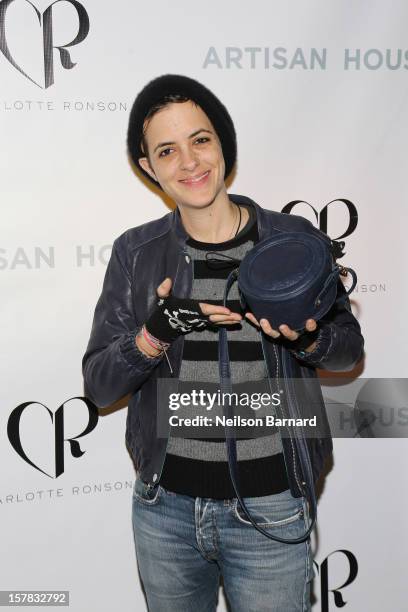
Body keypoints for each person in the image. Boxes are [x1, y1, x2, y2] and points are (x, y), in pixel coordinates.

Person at [82, 74, 364, 612]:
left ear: (223, 144)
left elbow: (348, 347)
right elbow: (98, 385)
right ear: (149, 167)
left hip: (273, 507)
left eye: (201, 140)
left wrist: (308, 338)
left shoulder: (294, 241)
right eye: (167, 150)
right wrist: (153, 333)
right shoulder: (137, 253)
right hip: (165, 511)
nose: (188, 162)